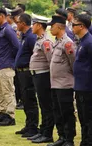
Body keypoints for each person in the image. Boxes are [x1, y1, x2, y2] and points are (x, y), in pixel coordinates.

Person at [48, 15, 76, 146]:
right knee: (57, 112)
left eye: (52, 27)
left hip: (65, 84)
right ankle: (62, 137)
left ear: (59, 27)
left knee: (66, 113)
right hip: (55, 84)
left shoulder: (67, 43)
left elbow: (73, 63)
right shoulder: (56, 42)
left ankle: (69, 139)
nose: (50, 29)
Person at [72, 13, 92, 146]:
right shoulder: (83, 41)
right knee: (83, 116)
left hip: (88, 86)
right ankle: (85, 140)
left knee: (89, 116)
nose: (71, 27)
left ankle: (91, 142)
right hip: (80, 85)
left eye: (74, 25)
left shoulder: (90, 42)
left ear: (81, 26)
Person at [27, 14, 54, 144]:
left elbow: (51, 62)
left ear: (39, 25)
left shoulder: (46, 41)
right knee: (42, 105)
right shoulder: (39, 40)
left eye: (34, 24)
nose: (32, 27)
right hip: (38, 75)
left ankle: (47, 133)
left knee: (46, 105)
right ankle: (43, 131)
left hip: (44, 75)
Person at [0, 7, 19, 126]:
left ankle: (10, 115)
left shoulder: (8, 30)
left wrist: (11, 59)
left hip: (6, 64)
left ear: (3, 16)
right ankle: (2, 112)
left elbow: (17, 46)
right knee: (0, 91)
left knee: (7, 91)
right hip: (0, 64)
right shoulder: (0, 29)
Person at [14, 13, 39, 138]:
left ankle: (33, 127)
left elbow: (35, 55)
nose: (16, 24)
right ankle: (28, 125)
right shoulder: (24, 36)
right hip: (21, 72)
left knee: (30, 100)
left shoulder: (30, 37)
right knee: (25, 100)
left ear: (23, 23)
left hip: (27, 72)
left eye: (18, 22)